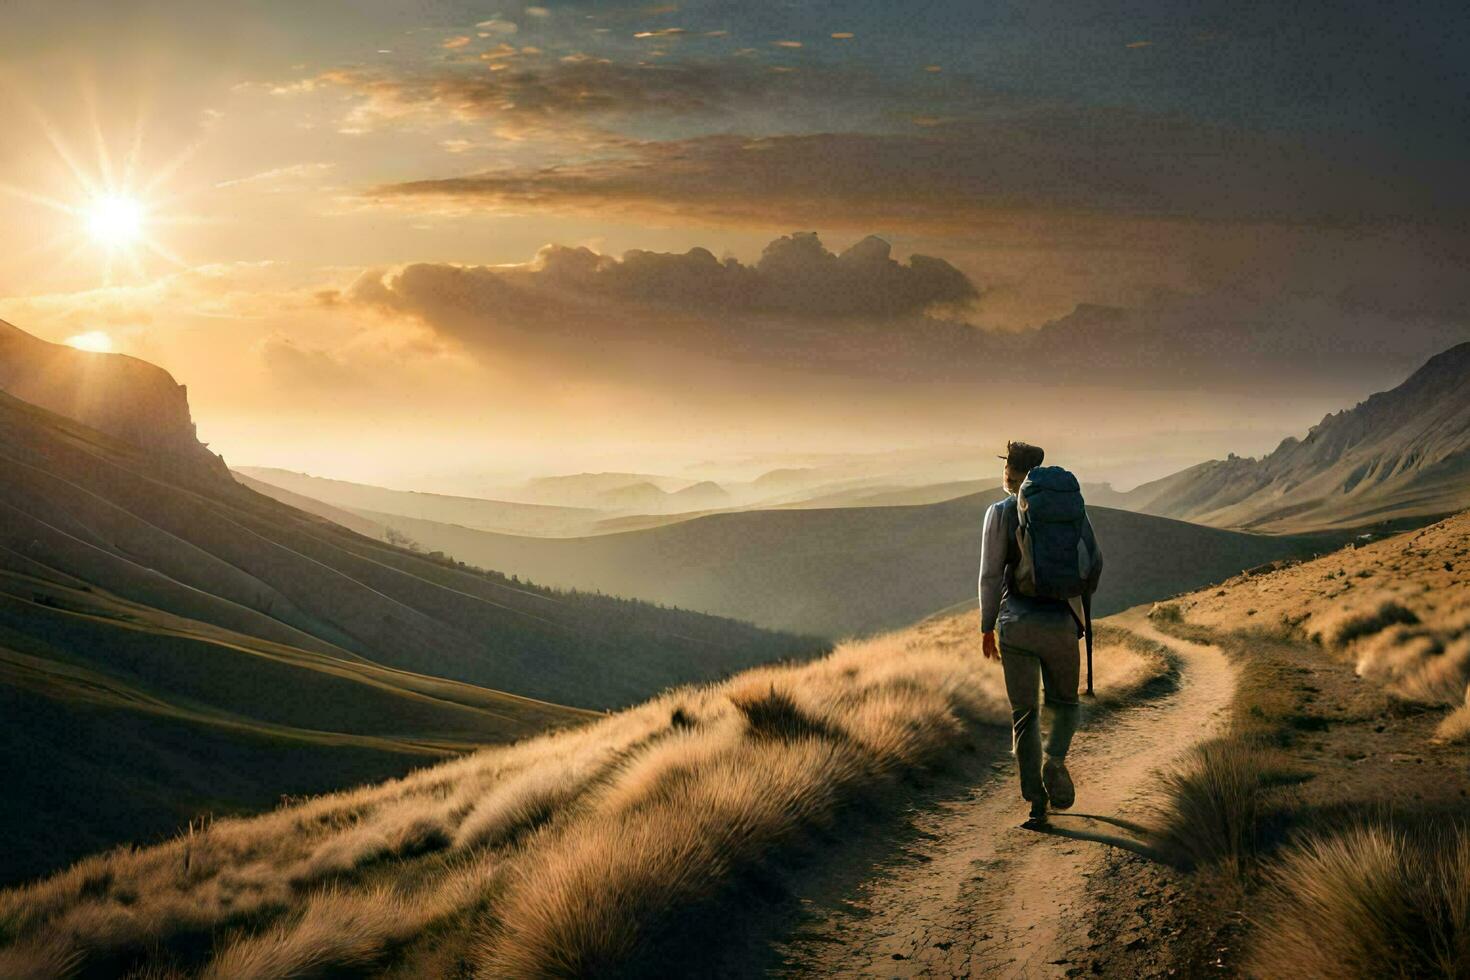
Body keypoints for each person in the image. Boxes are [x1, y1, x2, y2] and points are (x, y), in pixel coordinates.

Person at [978, 440, 1103, 828]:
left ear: (1009, 472)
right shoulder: (1069, 510)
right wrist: (1076, 604)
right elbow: (1094, 561)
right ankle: (1056, 760)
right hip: (1062, 623)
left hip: (1017, 624)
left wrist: (986, 626)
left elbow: (988, 575)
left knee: (1025, 715)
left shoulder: (999, 513)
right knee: (1065, 703)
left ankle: (1036, 803)